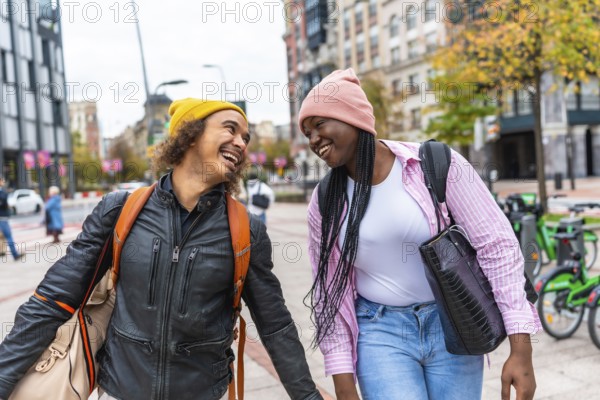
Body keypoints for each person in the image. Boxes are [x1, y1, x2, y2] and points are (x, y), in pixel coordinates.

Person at [0, 99, 323, 400]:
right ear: (190, 135)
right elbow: (52, 299)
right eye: (230, 128)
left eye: (246, 137)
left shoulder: (245, 230)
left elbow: (275, 325)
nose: (241, 142)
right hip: (120, 390)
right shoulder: (121, 211)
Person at [300, 69, 540, 400]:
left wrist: (520, 348)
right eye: (306, 132)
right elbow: (329, 293)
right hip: (380, 330)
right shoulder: (325, 201)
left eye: (319, 125)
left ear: (352, 118)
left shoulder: (434, 163)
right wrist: (342, 377)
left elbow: (497, 246)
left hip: (453, 325)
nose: (312, 139)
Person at [0, 177, 22, 261]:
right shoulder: (2, 193)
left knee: (3, 237)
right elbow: (3, 204)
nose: (3, 182)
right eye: (2, 180)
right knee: (8, 236)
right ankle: (15, 254)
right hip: (2, 218)